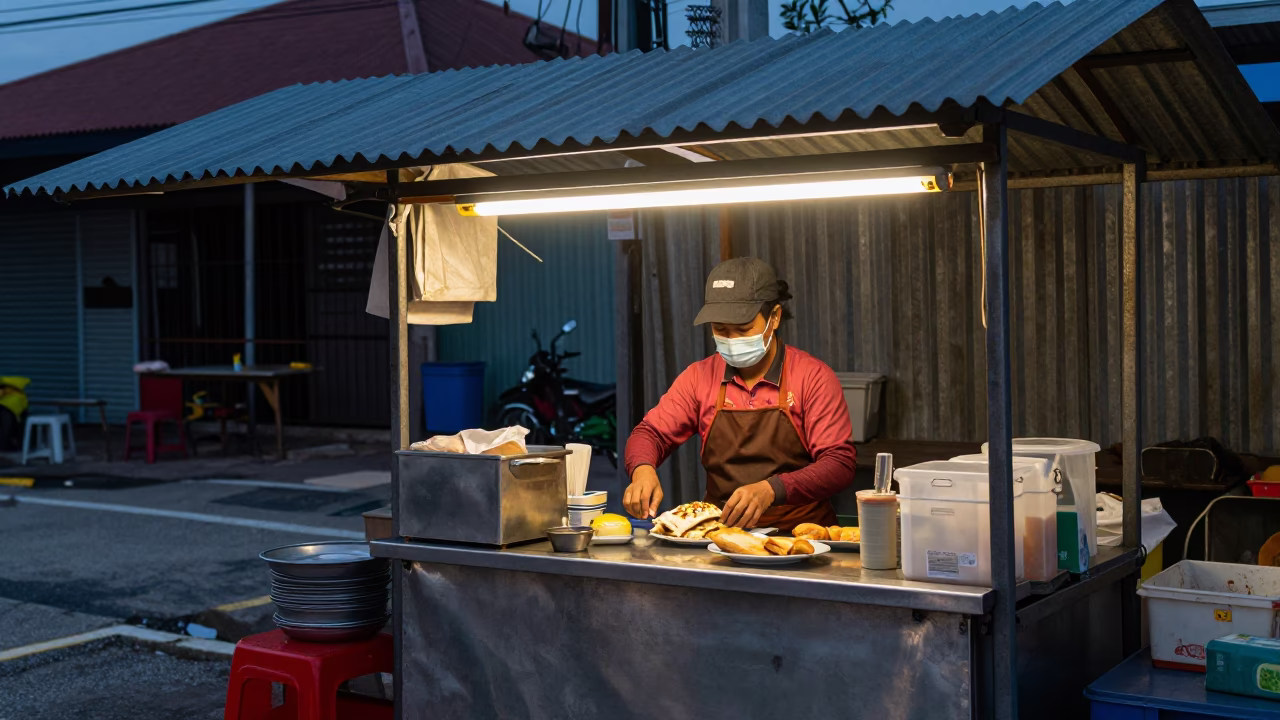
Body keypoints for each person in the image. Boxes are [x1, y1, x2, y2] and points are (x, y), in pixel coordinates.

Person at [623, 257, 856, 532]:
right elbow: (651, 433)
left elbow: (839, 463)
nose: (732, 339)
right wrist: (642, 469)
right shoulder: (699, 377)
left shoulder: (812, 377)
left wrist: (772, 489)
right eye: (721, 330)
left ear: (775, 318)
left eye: (744, 329)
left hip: (802, 538)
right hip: (721, 536)